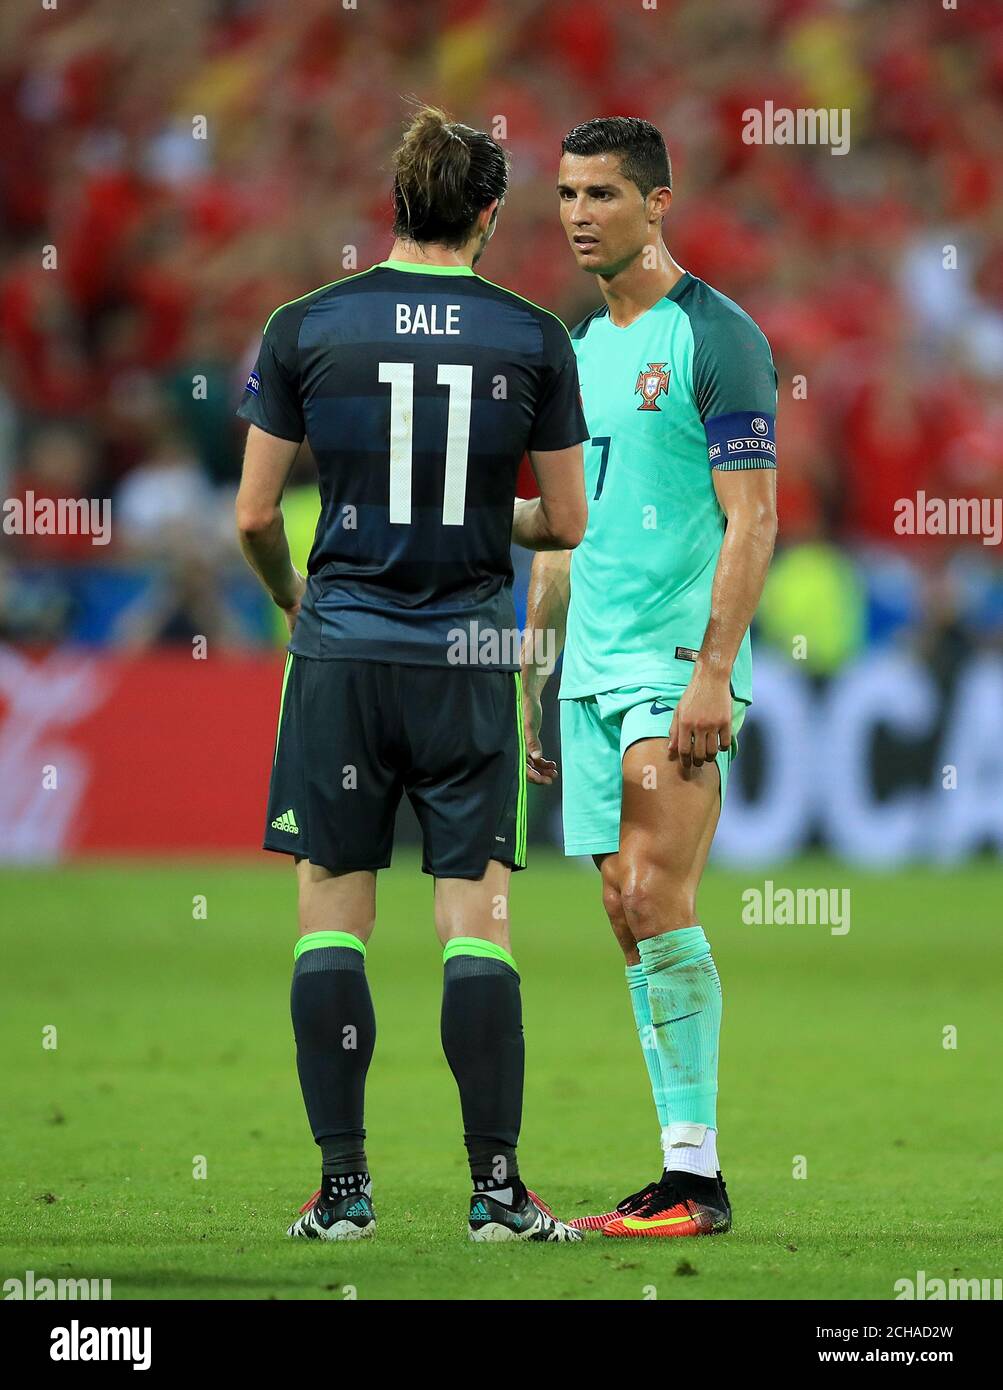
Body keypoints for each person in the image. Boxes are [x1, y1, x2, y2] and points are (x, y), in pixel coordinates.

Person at [235, 106, 588, 1242]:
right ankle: (495, 1194)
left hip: (339, 649)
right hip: (470, 658)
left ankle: (343, 1195)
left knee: (330, 923)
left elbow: (249, 514)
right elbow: (565, 520)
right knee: (475, 922)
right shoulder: (534, 337)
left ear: (395, 203)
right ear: (490, 215)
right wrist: (487, 509)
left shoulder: (305, 325)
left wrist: (295, 599)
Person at [522, 117, 778, 1238]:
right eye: (568, 194)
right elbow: (567, 532)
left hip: (673, 662)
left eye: (603, 195)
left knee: (653, 893)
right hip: (588, 663)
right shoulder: (579, 350)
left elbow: (753, 515)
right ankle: (679, 1168)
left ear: (657, 201)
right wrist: (536, 671)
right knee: (625, 910)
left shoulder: (716, 335)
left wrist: (714, 671)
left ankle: (698, 1179)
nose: (579, 214)